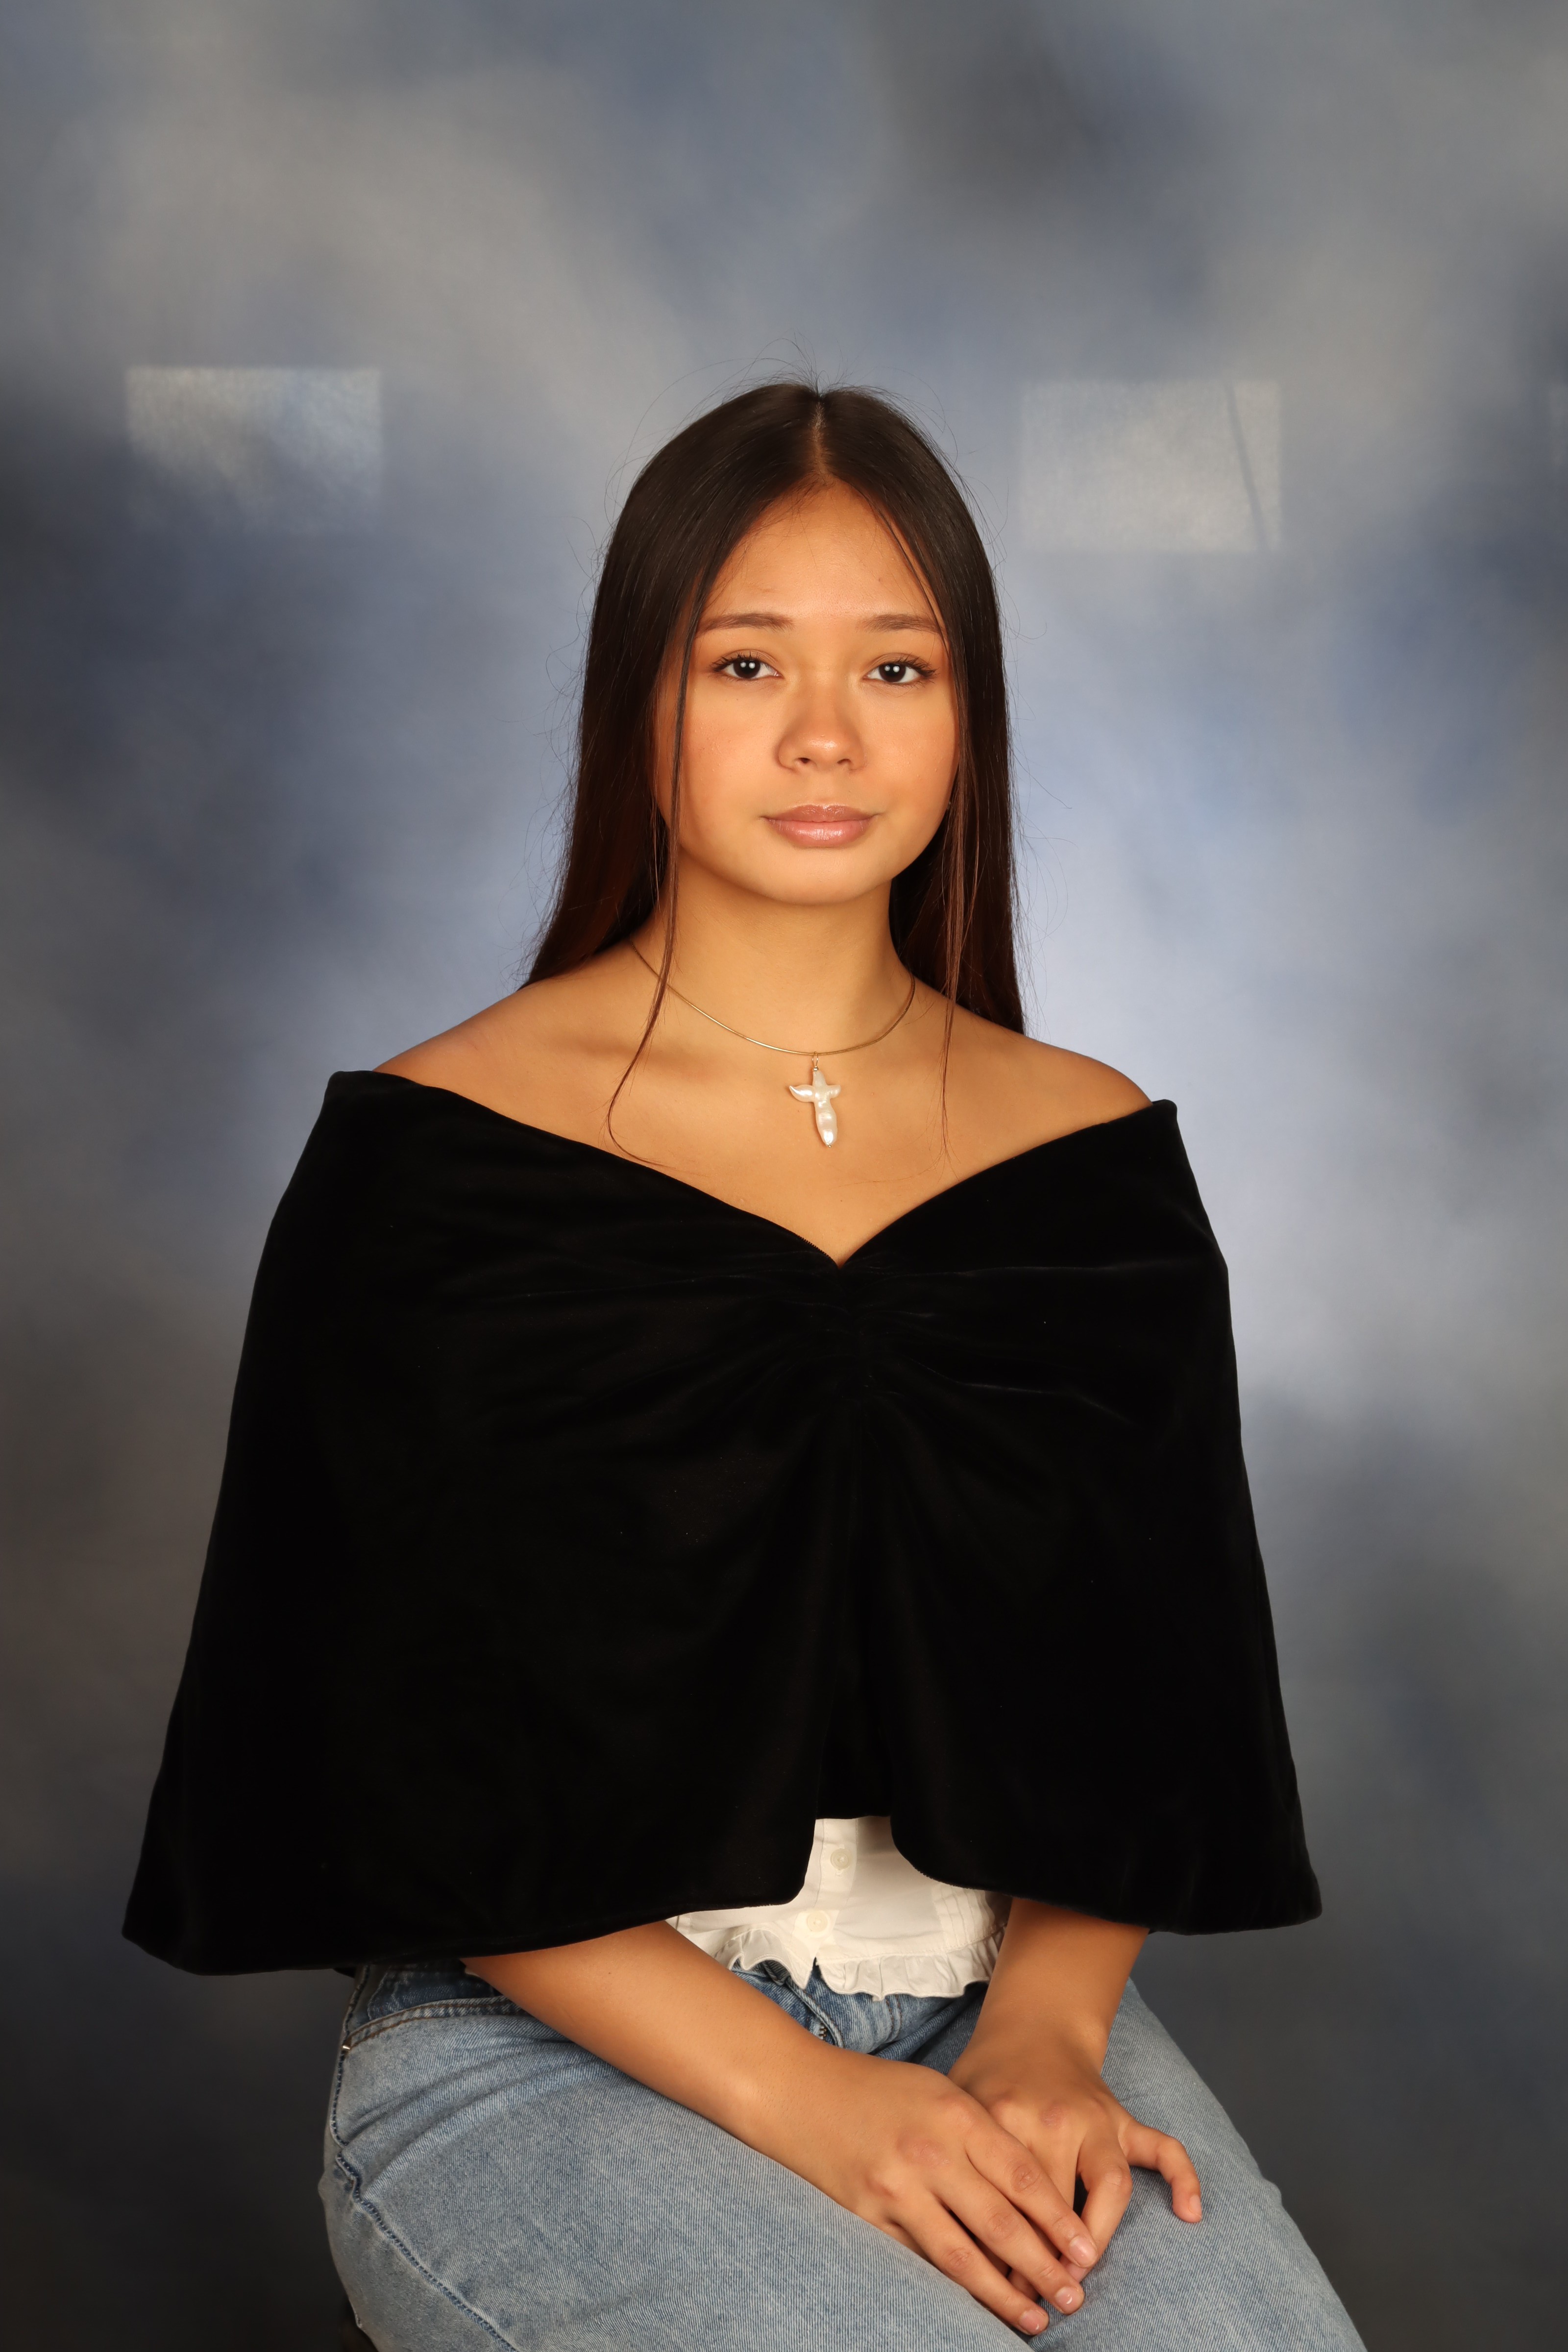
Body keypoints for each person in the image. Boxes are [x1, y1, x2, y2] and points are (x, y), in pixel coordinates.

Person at [124, 381, 1364, 2352]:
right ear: (642, 700)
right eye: (745, 663)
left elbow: (1148, 1696)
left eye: (896, 666)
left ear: (968, 716)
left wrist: (1047, 2039)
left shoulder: (1089, 1150)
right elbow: (386, 1752)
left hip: (996, 2015)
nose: (824, 735)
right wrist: (817, 2108)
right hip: (543, 2045)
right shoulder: (436, 1152)